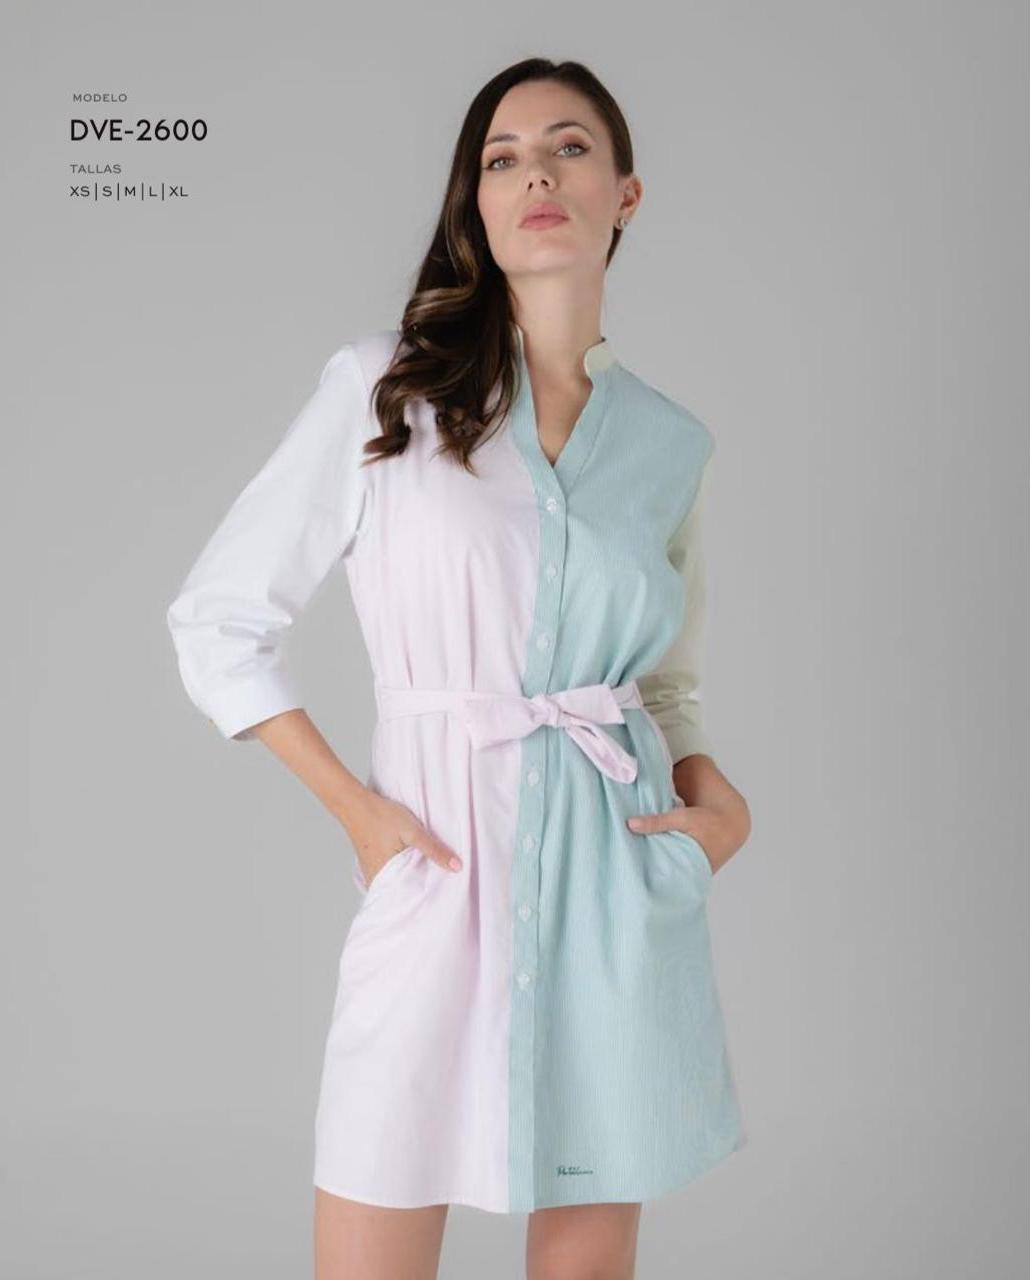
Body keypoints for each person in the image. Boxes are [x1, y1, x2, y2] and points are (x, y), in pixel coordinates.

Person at [166, 57, 752, 1280]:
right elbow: (218, 619)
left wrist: (713, 808)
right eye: (502, 157)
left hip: (614, 884)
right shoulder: (389, 390)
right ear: (476, 205)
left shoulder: (669, 442)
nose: (535, 172)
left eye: (569, 146)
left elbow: (666, 682)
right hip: (434, 866)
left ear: (625, 193)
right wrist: (357, 812)